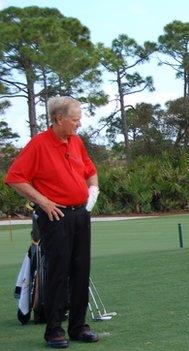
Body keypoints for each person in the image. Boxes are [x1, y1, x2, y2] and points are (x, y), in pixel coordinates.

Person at [5, 96, 100, 348]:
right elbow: (15, 177)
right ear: (59, 119)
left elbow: (90, 171)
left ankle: (79, 327)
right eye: (75, 119)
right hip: (55, 216)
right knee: (58, 272)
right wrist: (43, 202)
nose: (79, 123)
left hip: (81, 214)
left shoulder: (76, 141)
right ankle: (54, 330)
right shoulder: (39, 144)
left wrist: (93, 192)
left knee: (81, 270)